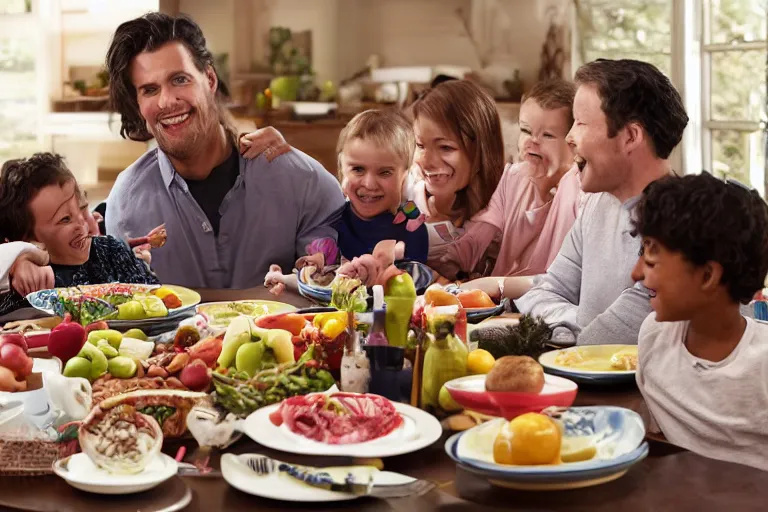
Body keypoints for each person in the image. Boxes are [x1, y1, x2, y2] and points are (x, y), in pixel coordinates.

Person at [104, 13, 344, 289]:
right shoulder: (125, 206)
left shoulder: (306, 185)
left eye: (180, 79)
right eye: (149, 89)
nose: (167, 101)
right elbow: (130, 316)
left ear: (209, 79)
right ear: (137, 104)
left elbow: (332, 301)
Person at [514, 59, 689, 345]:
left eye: (580, 123)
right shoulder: (597, 205)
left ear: (630, 137)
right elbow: (542, 292)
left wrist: (575, 325)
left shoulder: (682, 228)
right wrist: (580, 323)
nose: (569, 137)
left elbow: (609, 340)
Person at [632, 173, 768, 471]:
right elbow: (656, 442)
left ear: (707, 276)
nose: (636, 274)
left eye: (653, 261)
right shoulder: (654, 338)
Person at [434, 79, 583, 299]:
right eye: (525, 130)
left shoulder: (580, 192)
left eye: (547, 135)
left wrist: (495, 285)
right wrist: (440, 263)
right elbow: (474, 240)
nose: (532, 141)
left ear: (572, 141)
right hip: (493, 304)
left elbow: (565, 283)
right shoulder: (513, 177)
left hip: (544, 308)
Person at [263, 109, 429, 295]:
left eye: (384, 172)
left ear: (405, 178)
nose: (369, 183)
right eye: (358, 169)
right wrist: (291, 277)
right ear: (341, 171)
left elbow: (410, 289)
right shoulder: (331, 221)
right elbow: (319, 277)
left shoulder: (411, 230)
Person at [0, 153, 159, 318]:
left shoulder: (112, 251)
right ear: (29, 241)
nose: (82, 224)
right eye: (65, 219)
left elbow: (159, 299)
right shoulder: (29, 285)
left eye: (83, 208)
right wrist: (16, 261)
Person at [406, 79, 505, 271]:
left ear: (481, 150)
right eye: (420, 145)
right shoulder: (406, 195)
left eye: (445, 147)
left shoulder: (501, 214)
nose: (426, 161)